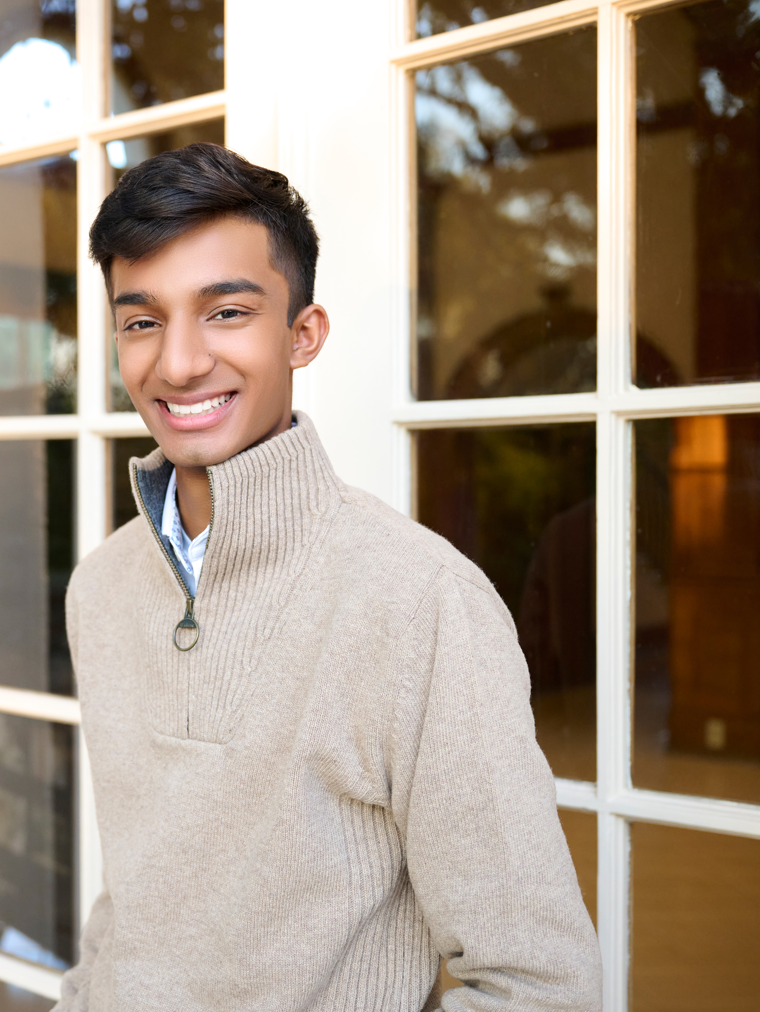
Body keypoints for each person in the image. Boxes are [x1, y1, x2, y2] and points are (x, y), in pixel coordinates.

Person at [54, 143, 601, 1011]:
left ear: (301, 334)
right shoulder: (101, 588)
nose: (179, 362)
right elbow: (135, 907)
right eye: (142, 320)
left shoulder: (421, 605)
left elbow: (539, 986)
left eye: (226, 312)